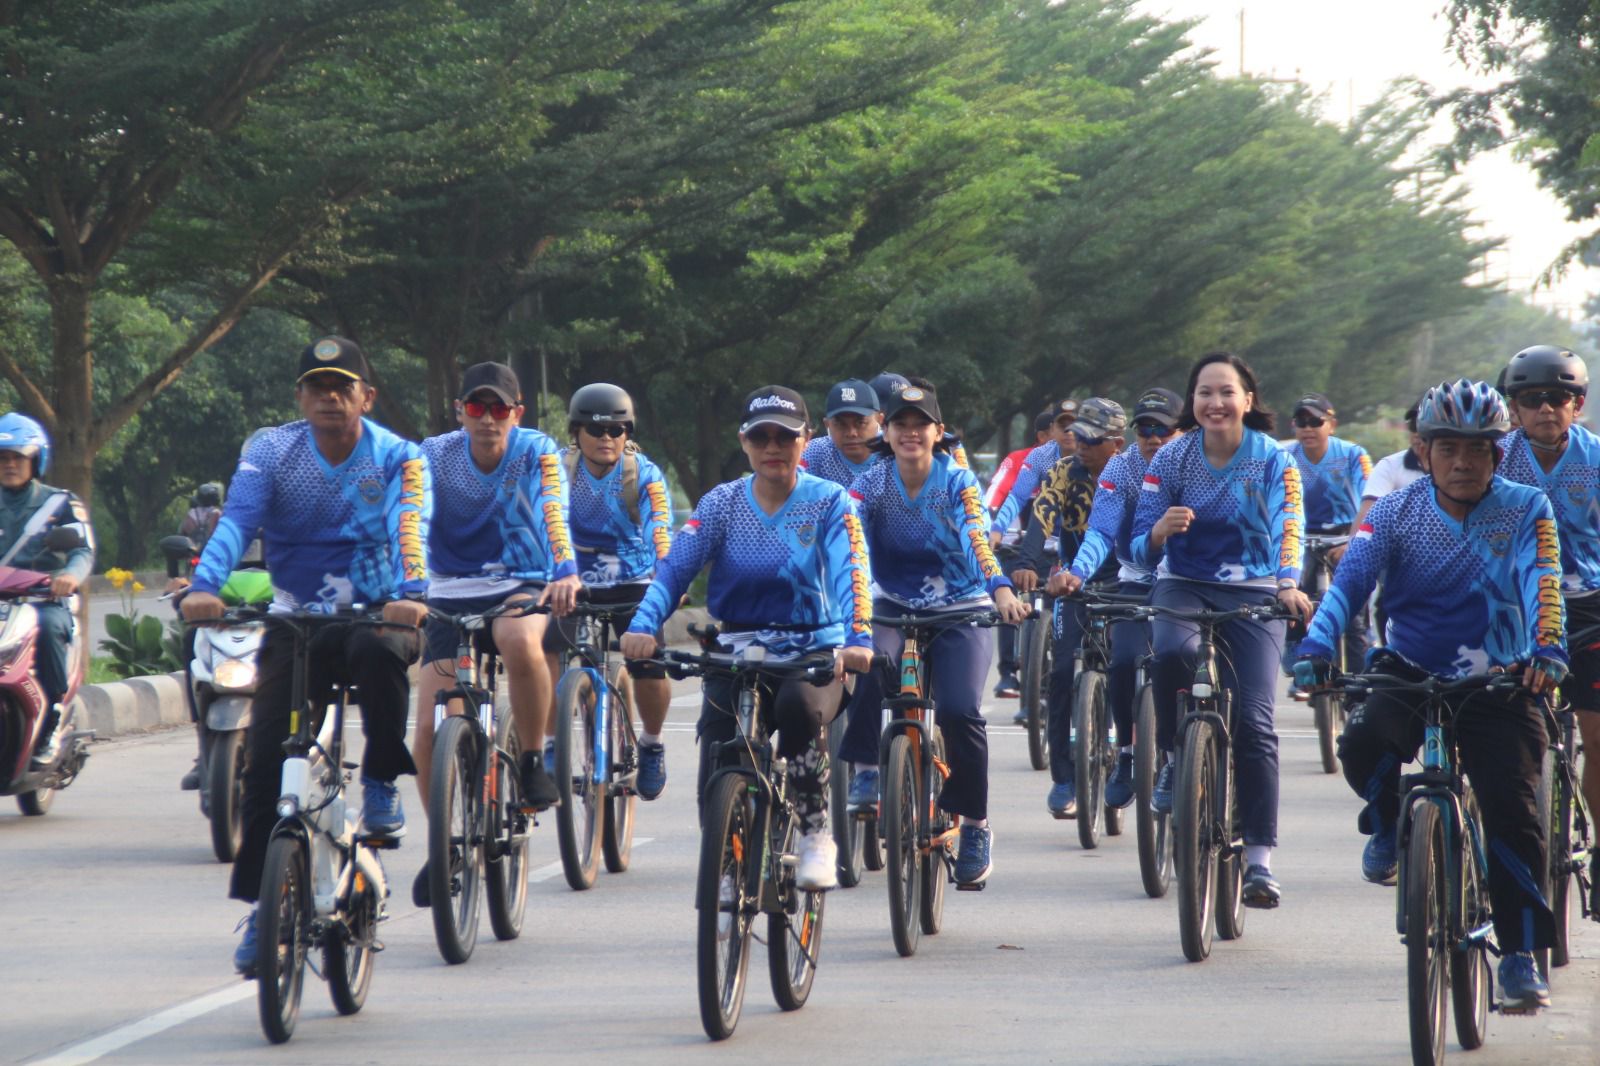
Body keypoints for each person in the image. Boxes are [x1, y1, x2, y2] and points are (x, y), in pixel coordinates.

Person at [1295, 377, 1562, 1013]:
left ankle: (1520, 956)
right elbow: (1350, 583)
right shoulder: (1393, 511)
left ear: (1500, 453)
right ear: (1423, 450)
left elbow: (1542, 580)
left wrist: (1547, 647)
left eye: (1478, 449)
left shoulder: (1527, 506)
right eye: (1447, 448)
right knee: (1362, 741)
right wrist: (1313, 650)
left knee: (1512, 811)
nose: (1463, 462)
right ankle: (1388, 821)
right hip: (1410, 667)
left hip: (1501, 677)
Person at [181, 336, 431, 976]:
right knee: (266, 765)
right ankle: (266, 909)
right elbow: (238, 520)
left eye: (342, 386)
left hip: (378, 612)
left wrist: (409, 593)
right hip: (297, 620)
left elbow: (412, 528)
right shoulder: (271, 450)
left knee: (378, 655)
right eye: (317, 386)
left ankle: (378, 779)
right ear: (300, 396)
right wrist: (207, 583)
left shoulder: (400, 456)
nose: (329, 396)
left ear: (365, 398)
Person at [619, 386, 873, 892]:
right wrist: (642, 626)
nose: (773, 447)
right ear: (744, 442)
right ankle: (730, 858)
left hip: (815, 650)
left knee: (799, 710)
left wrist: (857, 637)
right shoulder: (722, 502)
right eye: (762, 437)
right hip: (737, 649)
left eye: (785, 436)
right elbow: (674, 572)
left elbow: (853, 572)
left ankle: (815, 829)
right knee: (717, 756)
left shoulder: (829, 501)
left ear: (806, 440)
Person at [1130, 352, 1312, 908]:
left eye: (1226, 392)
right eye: (1204, 393)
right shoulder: (1173, 457)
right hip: (1184, 584)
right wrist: (1160, 531)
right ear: (1193, 402)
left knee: (1256, 723)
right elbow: (1137, 544)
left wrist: (1287, 582)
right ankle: (1169, 758)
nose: (1215, 403)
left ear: (1247, 401)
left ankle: (1259, 860)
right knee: (1169, 655)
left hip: (1257, 591)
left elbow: (1291, 524)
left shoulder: (1273, 460)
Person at [839, 380, 1028, 886]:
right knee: (866, 660)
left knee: (960, 710)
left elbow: (976, 538)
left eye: (920, 425)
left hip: (961, 606)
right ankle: (867, 772)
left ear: (938, 433)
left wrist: (1002, 589)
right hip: (892, 603)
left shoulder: (958, 481)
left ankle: (974, 826)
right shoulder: (871, 482)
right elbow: (850, 543)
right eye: (900, 424)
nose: (910, 433)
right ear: (886, 430)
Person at [409, 362, 582, 907]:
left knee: (517, 640)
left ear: (517, 413)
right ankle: (446, 843)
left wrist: (565, 569)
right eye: (477, 408)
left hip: (521, 583)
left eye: (499, 409)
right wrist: (405, 585)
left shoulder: (537, 450)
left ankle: (531, 758)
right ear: (460, 411)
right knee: (426, 727)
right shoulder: (432, 455)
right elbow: (407, 518)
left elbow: (554, 508)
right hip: (447, 591)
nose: (488, 419)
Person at [1494, 345, 1600, 910]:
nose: (1545, 409)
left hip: (1588, 606)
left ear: (1577, 404)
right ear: (1514, 407)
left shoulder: (1596, 458)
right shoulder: (1494, 458)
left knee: (1596, 731)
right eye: (1531, 399)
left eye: (1558, 398)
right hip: (1516, 607)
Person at [1048, 387, 1185, 810]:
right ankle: (1125, 754)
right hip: (1136, 579)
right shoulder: (1119, 470)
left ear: (1182, 432)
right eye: (1145, 428)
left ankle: (1180, 755)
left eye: (1163, 430)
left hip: (1187, 583)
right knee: (1122, 660)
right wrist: (1075, 572)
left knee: (1179, 659)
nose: (1153, 438)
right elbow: (1100, 532)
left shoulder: (1195, 465)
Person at [542, 382, 674, 800]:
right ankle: (549, 742)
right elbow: (552, 521)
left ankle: (651, 744)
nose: (607, 439)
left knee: (649, 663)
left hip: (634, 580)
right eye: (596, 430)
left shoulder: (644, 475)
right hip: (574, 580)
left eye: (617, 431)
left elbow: (661, 531)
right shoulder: (560, 472)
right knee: (545, 647)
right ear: (576, 433)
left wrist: (666, 576)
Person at [1011, 398, 1127, 818]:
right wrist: (1025, 563)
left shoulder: (1133, 473)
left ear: (1116, 444)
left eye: (1091, 439)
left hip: (1126, 585)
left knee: (1127, 666)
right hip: (1072, 584)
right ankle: (1063, 778)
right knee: (1060, 673)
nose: (1079, 444)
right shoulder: (1063, 470)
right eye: (1077, 434)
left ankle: (1130, 753)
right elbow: (1042, 515)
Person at [0, 413, 95, 766]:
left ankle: (53, 713)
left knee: (53, 628)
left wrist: (69, 575)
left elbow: (82, 550)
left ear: (35, 460)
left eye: (17, 458)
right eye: (3, 458)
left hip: (41, 600)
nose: (9, 465)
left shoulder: (60, 503)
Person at [1282, 393, 1372, 686]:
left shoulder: (1353, 454)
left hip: (1344, 536)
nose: (1308, 429)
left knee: (1354, 618)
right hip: (1302, 536)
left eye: (1315, 421)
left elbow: (1371, 499)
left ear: (1331, 425)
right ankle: (1297, 653)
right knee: (1296, 601)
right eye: (1301, 422)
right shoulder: (1285, 456)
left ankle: (1359, 687)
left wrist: (1353, 541)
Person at [987, 408, 1056, 701]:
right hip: (1015, 546)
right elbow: (995, 496)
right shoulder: (1020, 460)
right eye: (1060, 428)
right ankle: (1006, 673)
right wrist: (994, 530)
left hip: (1055, 549)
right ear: (1042, 436)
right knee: (1008, 598)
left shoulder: (1082, 460)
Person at [989, 398, 1080, 542]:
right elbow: (1017, 497)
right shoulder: (1038, 456)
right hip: (1046, 536)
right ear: (1053, 429)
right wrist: (997, 528)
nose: (1069, 432)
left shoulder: (1098, 456)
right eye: (1062, 426)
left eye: (1074, 427)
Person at [800, 378, 882, 487]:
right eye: (840, 424)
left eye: (860, 423)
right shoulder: (814, 453)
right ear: (827, 424)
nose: (851, 433)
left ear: (880, 420)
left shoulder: (893, 452)